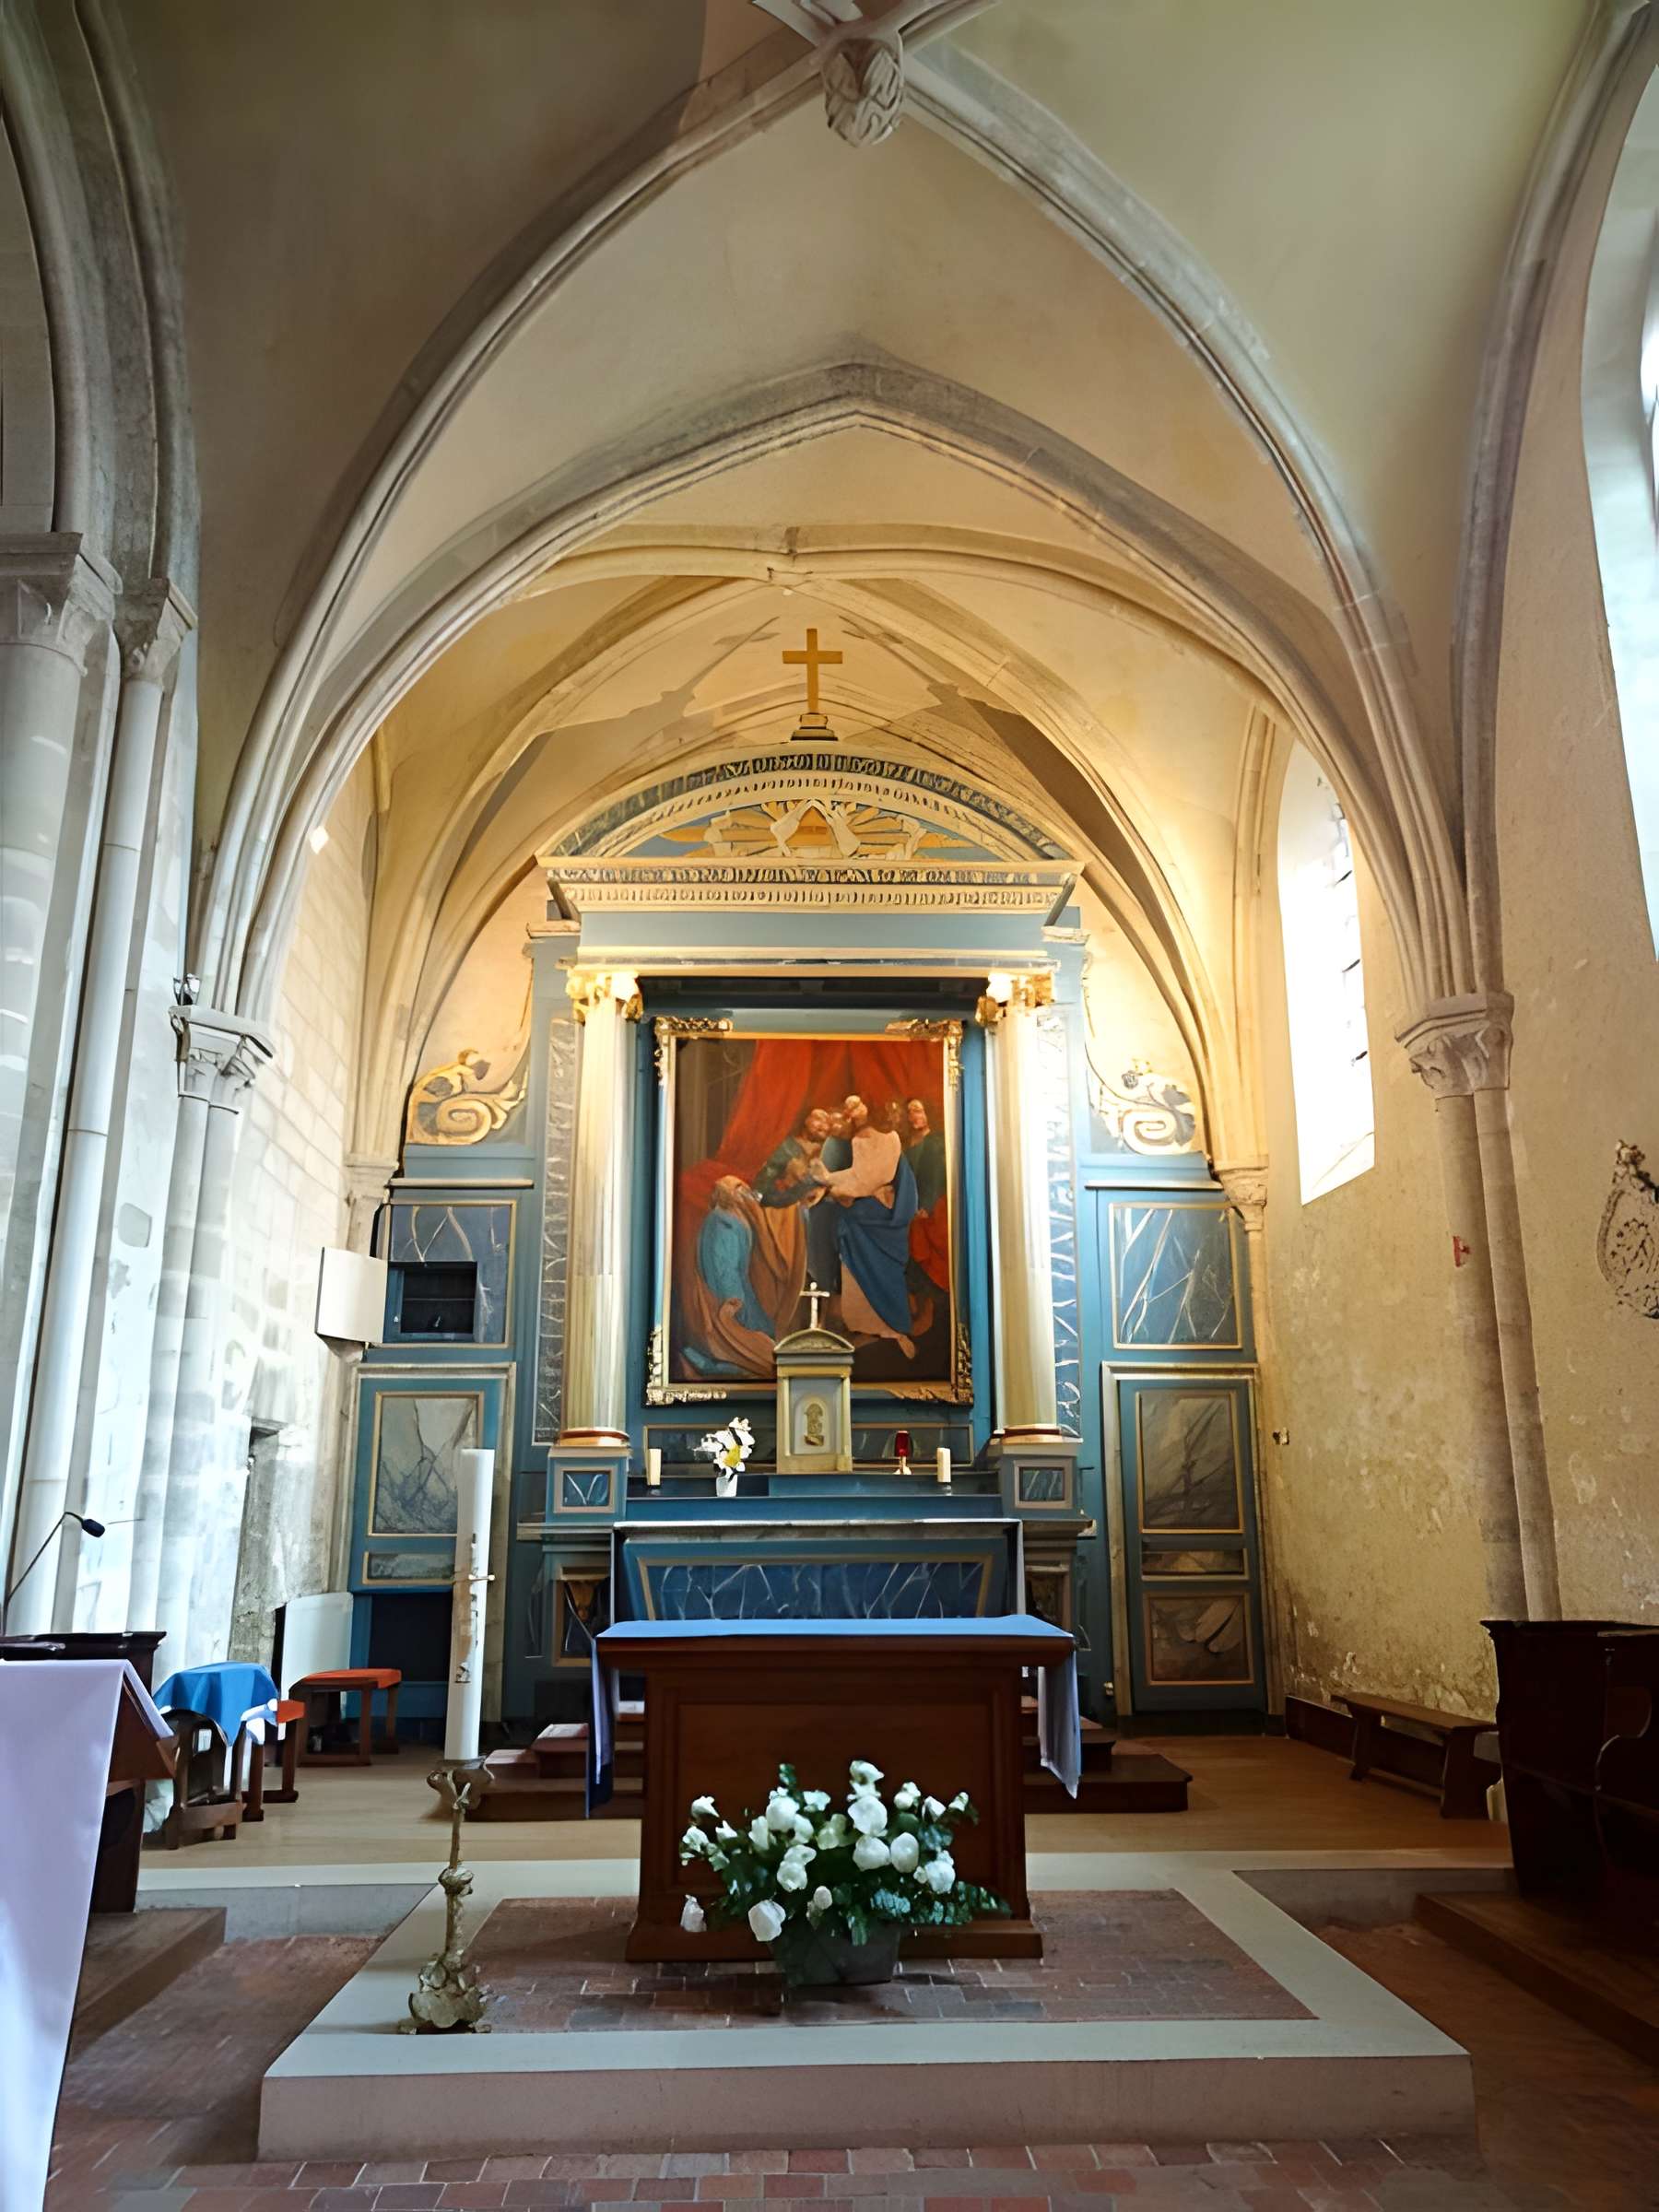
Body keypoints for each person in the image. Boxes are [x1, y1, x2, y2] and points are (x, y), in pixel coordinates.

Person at [813, 1099, 919, 1356]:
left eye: (857, 1107)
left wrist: (831, 1183)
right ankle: (866, 1328)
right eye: (848, 1110)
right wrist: (831, 1183)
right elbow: (858, 1176)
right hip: (862, 1218)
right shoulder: (855, 1142)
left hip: (876, 1218)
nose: (852, 1114)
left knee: (882, 1273)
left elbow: (866, 1180)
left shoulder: (880, 1141)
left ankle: (893, 1328)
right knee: (856, 1274)